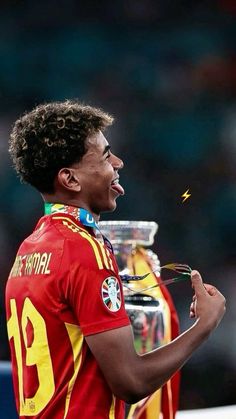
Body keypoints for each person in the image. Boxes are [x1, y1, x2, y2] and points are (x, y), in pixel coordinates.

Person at [5, 100, 226, 419]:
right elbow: (131, 382)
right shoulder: (84, 249)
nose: (119, 162)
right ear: (70, 179)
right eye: (107, 156)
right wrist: (204, 326)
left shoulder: (29, 249)